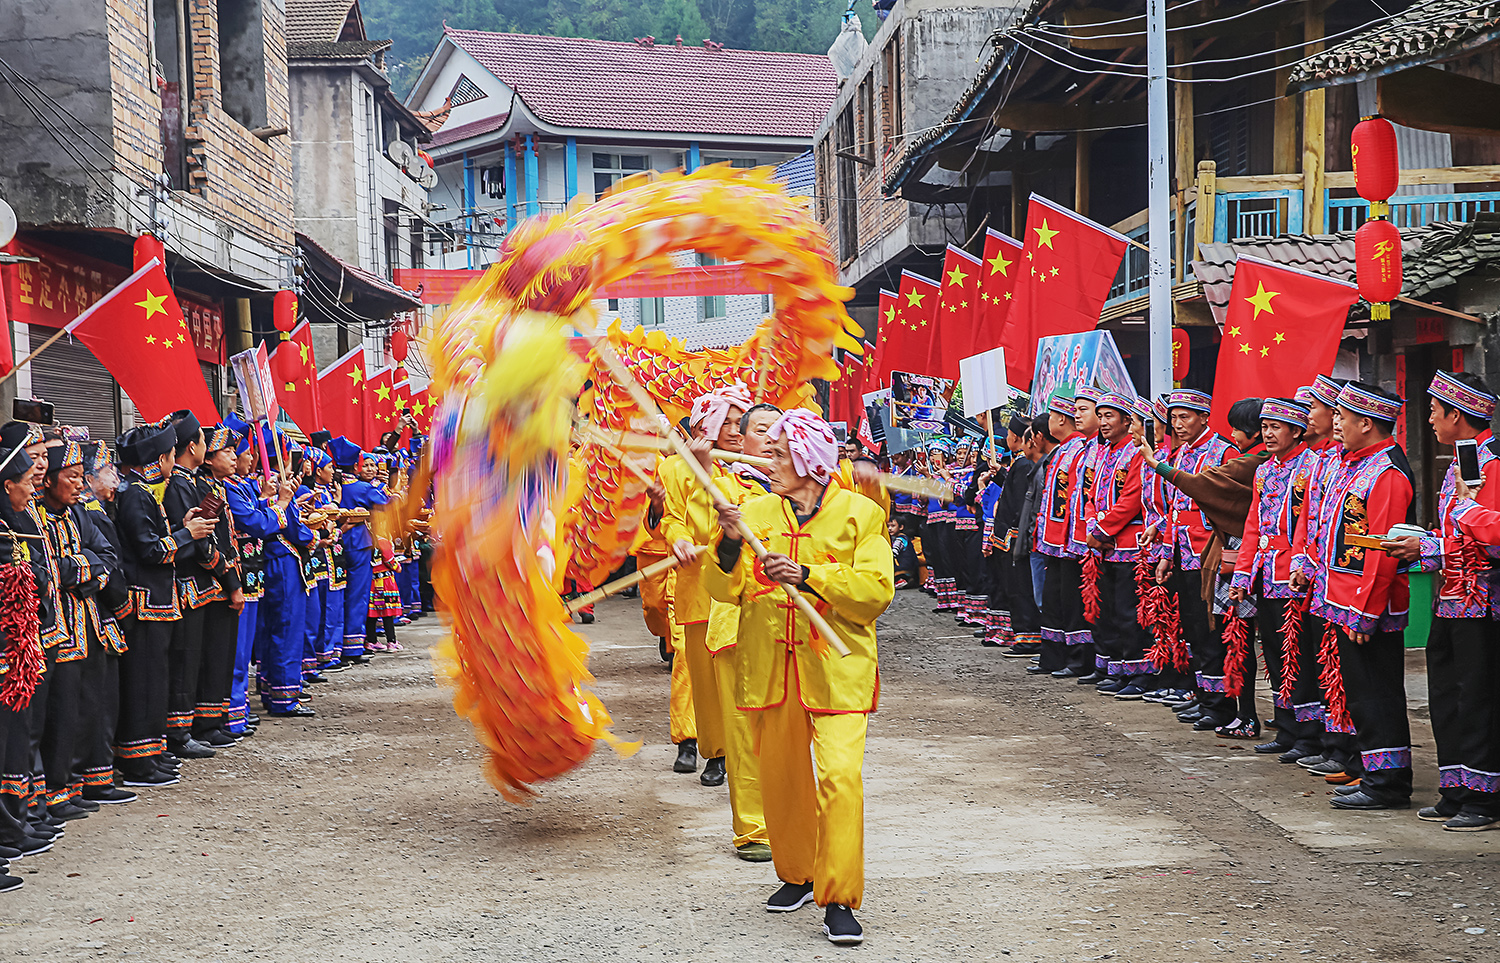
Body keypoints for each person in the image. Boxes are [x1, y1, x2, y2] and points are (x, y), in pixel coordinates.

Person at [706, 408, 893, 946]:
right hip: (770, 668)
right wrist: (728, 544)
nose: (770, 459)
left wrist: (810, 576)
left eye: (781, 454)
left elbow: (876, 591)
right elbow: (726, 590)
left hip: (837, 669)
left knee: (839, 778)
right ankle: (798, 875)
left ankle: (837, 897)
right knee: (783, 782)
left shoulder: (860, 515)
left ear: (810, 462)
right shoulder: (755, 512)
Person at [1383, 371, 1500, 828]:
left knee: (1479, 700)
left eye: (1434, 410)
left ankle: (1485, 796)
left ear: (1457, 415)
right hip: (1450, 600)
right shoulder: (1461, 461)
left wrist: (1436, 542)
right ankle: (1457, 787)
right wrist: (1422, 543)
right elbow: (1458, 533)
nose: (1429, 418)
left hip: (1483, 606)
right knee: (1446, 697)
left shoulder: (1492, 464)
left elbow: (1490, 537)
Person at [1298, 382, 1413, 811]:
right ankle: (1373, 771)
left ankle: (1388, 782)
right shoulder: (1354, 464)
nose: (1337, 425)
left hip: (1369, 604)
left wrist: (1365, 610)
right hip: (1345, 599)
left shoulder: (1385, 472)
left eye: (1343, 417)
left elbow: (1381, 548)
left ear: (1366, 423)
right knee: (1361, 693)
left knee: (1377, 693)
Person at [664, 384, 754, 790]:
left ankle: (744, 749)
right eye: (728, 422)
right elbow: (673, 518)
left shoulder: (758, 468)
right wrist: (679, 539)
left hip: (745, 588)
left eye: (741, 423)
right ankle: (715, 751)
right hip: (698, 586)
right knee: (702, 676)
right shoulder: (676, 470)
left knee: (740, 672)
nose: (735, 431)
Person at [114, 422, 213, 784]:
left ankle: (152, 752)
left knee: (157, 679)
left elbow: (158, 540)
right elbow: (149, 550)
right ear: (161, 459)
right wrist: (187, 535)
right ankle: (138, 760)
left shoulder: (144, 492)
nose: (175, 461)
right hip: (144, 603)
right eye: (172, 455)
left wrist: (180, 529)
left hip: (158, 601)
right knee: (144, 681)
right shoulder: (136, 494)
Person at [703, 400, 781, 862]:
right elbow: (694, 521)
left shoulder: (806, 486)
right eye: (761, 430)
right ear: (742, 439)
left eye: (780, 431)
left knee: (786, 734)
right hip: (736, 621)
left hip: (790, 627)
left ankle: (791, 818)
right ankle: (753, 830)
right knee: (742, 732)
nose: (771, 439)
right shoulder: (724, 481)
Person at [1229, 399, 1321, 755]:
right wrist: (1241, 575)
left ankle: (1308, 734)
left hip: (1295, 575)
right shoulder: (1265, 470)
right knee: (1273, 652)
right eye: (1264, 426)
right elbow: (1253, 525)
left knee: (1297, 653)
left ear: (1296, 431)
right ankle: (1285, 729)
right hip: (1266, 573)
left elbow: (1310, 524)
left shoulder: (1311, 467)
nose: (1267, 433)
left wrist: (1302, 564)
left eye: (1275, 427)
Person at [37, 440, 122, 819]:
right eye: (70, 477)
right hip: (58, 631)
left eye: (78, 477)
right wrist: (81, 568)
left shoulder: (78, 514)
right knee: (61, 712)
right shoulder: (35, 517)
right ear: (50, 479)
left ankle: (75, 785)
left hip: (89, 624)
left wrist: (80, 569)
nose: (77, 485)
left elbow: (106, 557)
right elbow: (51, 572)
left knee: (89, 706)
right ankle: (54, 792)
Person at [1148, 389, 1239, 730]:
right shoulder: (1181, 453)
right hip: (1183, 553)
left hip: (1209, 555)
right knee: (1194, 631)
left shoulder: (1224, 452)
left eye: (1185, 417)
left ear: (1204, 417)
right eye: (1174, 418)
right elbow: (1173, 510)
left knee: (1212, 630)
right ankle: (1204, 696)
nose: (1177, 424)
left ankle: (1221, 705)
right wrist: (1166, 555)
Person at [0, 436, 54, 868]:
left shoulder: (13, 525)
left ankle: (14, 823)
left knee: (15, 740)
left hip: (14, 654)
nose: (32, 486)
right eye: (25, 479)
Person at [161, 411, 223, 760]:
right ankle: (179, 733)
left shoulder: (189, 482)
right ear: (192, 446)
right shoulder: (180, 486)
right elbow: (197, 540)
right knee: (184, 660)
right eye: (202, 440)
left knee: (195, 658)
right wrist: (224, 573)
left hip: (199, 585)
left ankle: (190, 727)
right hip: (188, 583)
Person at [76, 443, 135, 804]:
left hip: (100, 616)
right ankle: (92, 777)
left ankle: (99, 774)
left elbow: (109, 558)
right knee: (93, 700)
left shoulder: (96, 511)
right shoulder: (88, 512)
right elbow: (107, 568)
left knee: (104, 698)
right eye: (106, 471)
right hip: (93, 616)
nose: (114, 477)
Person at [1084, 393, 1153, 697]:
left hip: (1128, 545)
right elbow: (1090, 496)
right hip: (1104, 545)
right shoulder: (1102, 454)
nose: (1103, 422)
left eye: (1110, 416)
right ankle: (1121, 670)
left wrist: (1102, 530)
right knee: (1111, 611)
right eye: (1100, 416)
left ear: (1127, 420)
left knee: (1130, 613)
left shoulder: (1136, 453)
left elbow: (1132, 500)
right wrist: (1092, 528)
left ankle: (1141, 675)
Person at [1033, 394, 1087, 675]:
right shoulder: (1064, 450)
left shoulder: (1078, 450)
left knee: (1071, 601)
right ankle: (1052, 656)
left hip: (1070, 541)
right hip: (1053, 541)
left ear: (1060, 420)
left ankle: (1076, 658)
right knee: (1053, 598)